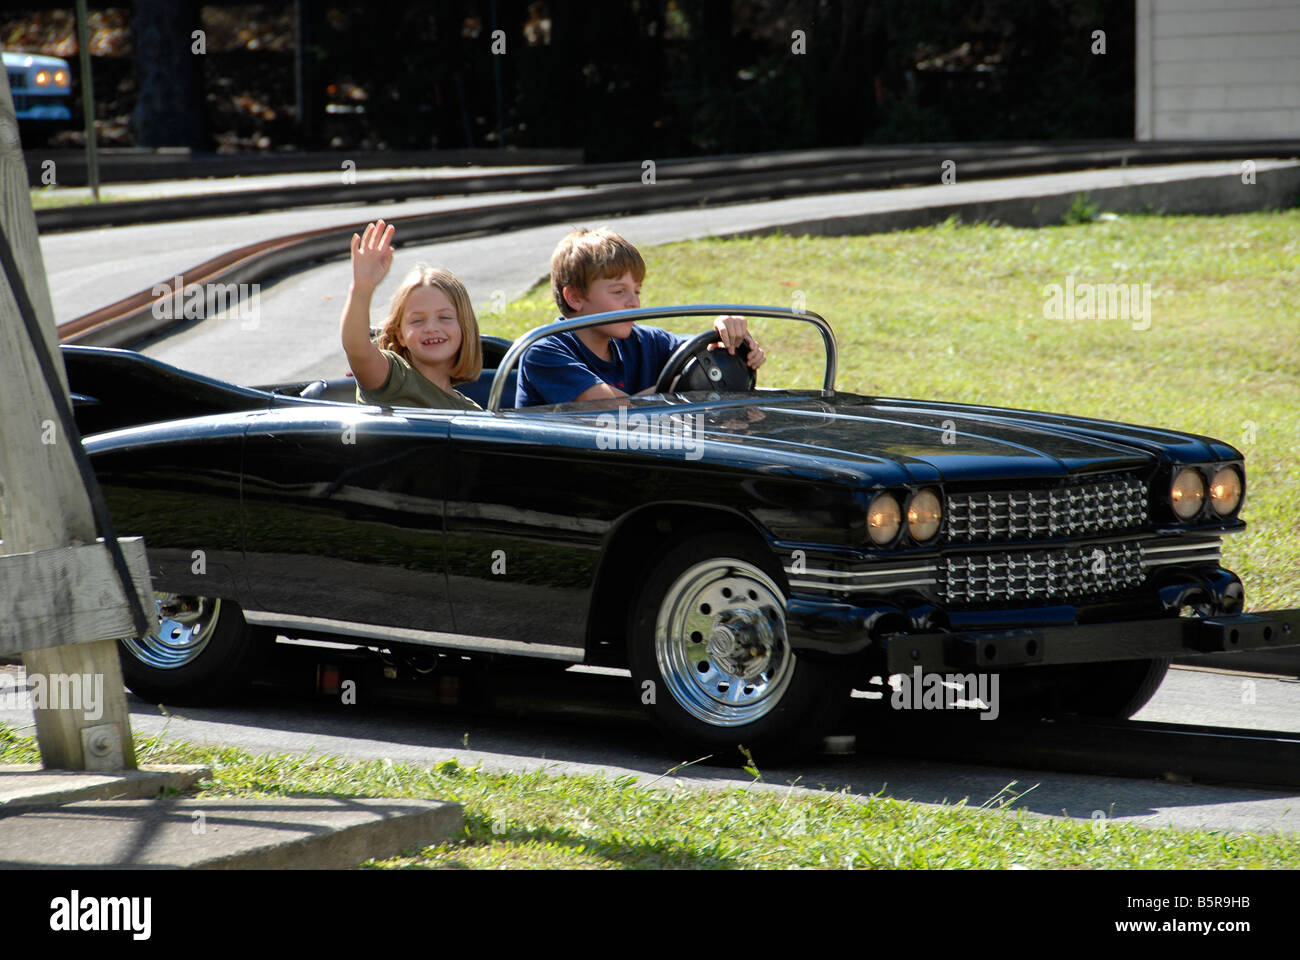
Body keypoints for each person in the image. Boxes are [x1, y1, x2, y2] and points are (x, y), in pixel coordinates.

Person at [515, 227, 765, 407]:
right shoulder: (543, 352)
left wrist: (731, 338)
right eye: (618, 292)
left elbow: (702, 353)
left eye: (637, 291)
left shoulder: (644, 341)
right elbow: (610, 408)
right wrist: (681, 387)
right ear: (575, 298)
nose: (634, 302)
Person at [340, 219, 483, 410]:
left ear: (464, 327)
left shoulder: (472, 412)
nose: (431, 328)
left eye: (445, 317)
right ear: (400, 335)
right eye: (417, 321)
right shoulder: (393, 378)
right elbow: (357, 349)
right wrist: (362, 287)